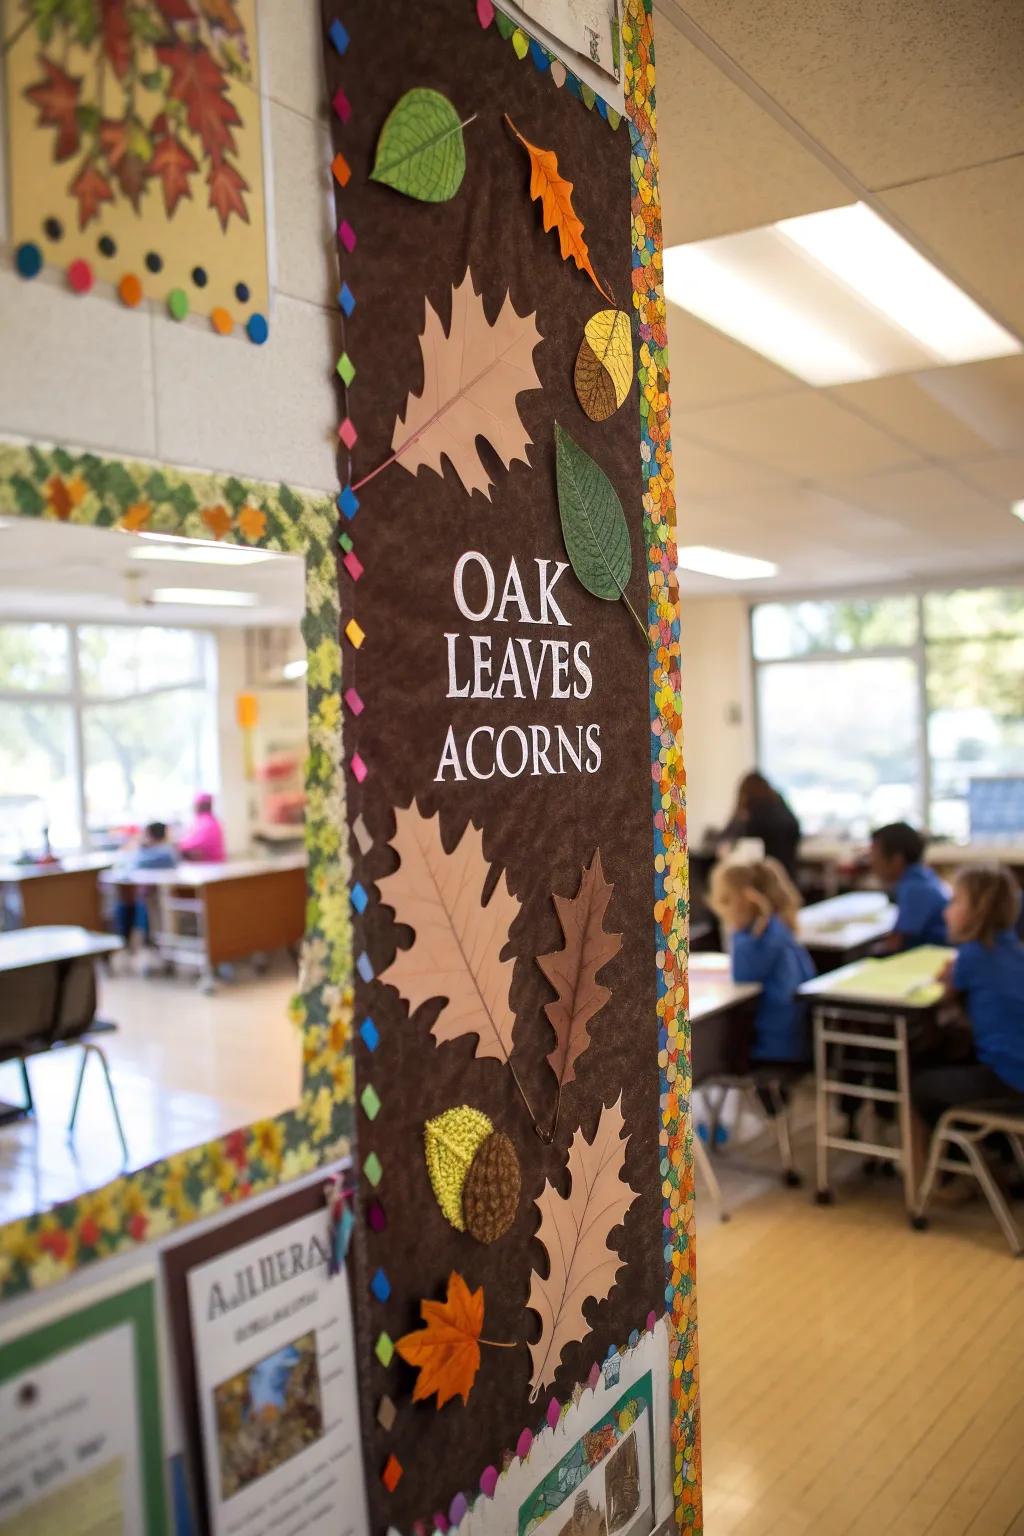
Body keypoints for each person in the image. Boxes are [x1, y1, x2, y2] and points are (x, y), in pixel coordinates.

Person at [911, 865, 1024, 1170]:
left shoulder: (973, 956)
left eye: (955, 902)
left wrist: (949, 978)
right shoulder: (1014, 949)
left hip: (1010, 1081)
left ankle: (949, 1171)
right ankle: (995, 1157)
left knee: (920, 1084)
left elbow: (944, 994)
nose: (947, 912)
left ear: (976, 911)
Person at [708, 858, 816, 1096]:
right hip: (792, 1042)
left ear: (745, 901)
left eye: (726, 901)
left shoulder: (760, 940)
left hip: (773, 1048)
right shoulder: (780, 930)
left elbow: (742, 975)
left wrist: (736, 933)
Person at [870, 822, 949, 950]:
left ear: (896, 859)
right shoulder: (923, 875)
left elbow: (896, 943)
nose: (872, 863)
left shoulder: (913, 889)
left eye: (875, 856)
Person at [722, 772, 802, 877]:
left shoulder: (753, 814)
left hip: (764, 879)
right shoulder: (783, 809)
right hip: (788, 877)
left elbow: (744, 849)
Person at [112, 821, 178, 945]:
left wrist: (139, 846)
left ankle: (127, 941)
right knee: (128, 902)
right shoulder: (159, 851)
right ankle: (128, 941)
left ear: (150, 835)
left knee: (130, 904)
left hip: (159, 898)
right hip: (150, 896)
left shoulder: (163, 853)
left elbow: (134, 863)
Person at [178, 791, 226, 863]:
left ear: (199, 805)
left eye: (195, 805)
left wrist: (180, 844)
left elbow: (193, 843)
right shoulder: (208, 820)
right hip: (209, 863)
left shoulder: (207, 822)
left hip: (210, 865)